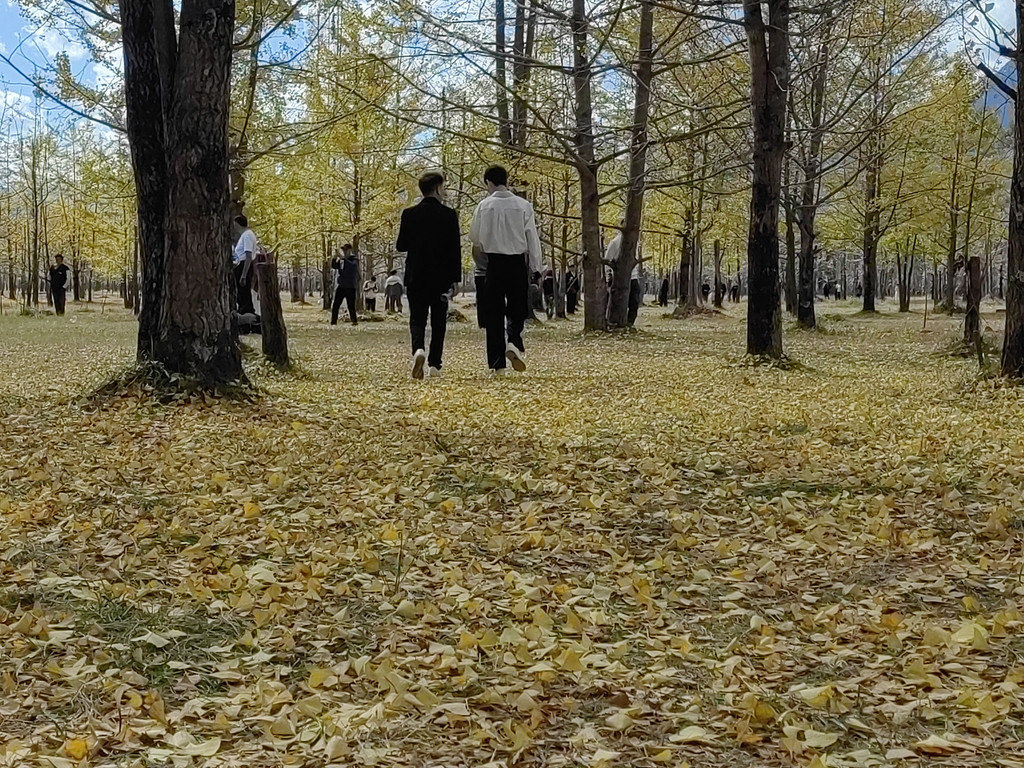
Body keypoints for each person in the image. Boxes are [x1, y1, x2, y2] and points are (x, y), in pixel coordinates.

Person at [470, 165, 542, 374]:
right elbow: (532, 239)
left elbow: (475, 238)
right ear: (506, 180)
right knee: (517, 308)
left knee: (493, 313)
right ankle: (513, 340)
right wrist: (536, 268)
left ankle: (497, 365)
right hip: (517, 263)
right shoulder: (523, 205)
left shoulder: (484, 206)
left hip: (494, 264)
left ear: (488, 182)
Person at [396, 171, 462, 379]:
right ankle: (435, 364)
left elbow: (401, 245)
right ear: (438, 188)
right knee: (438, 322)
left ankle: (418, 349)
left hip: (416, 275)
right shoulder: (449, 215)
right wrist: (456, 279)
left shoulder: (409, 214)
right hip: (441, 277)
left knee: (417, 318)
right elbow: (455, 249)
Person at [605, 229, 643, 326]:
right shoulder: (614, 242)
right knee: (617, 301)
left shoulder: (635, 242)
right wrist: (608, 277)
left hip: (633, 277)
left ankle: (629, 323)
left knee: (634, 300)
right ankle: (614, 322)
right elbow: (607, 260)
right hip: (617, 277)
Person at [233, 215, 258, 315]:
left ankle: (247, 311)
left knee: (244, 291)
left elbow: (248, 255)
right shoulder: (245, 235)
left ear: (238, 224)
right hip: (241, 265)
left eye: (235, 224)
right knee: (241, 291)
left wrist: (243, 275)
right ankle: (243, 309)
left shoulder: (247, 235)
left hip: (244, 265)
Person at [331, 244, 359, 325]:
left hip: (350, 286)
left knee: (351, 305)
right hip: (341, 286)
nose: (345, 252)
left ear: (350, 250)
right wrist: (335, 258)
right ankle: (333, 322)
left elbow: (352, 266)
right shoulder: (342, 260)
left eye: (346, 250)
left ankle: (354, 321)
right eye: (343, 250)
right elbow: (334, 266)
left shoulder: (354, 259)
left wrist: (343, 258)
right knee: (336, 304)